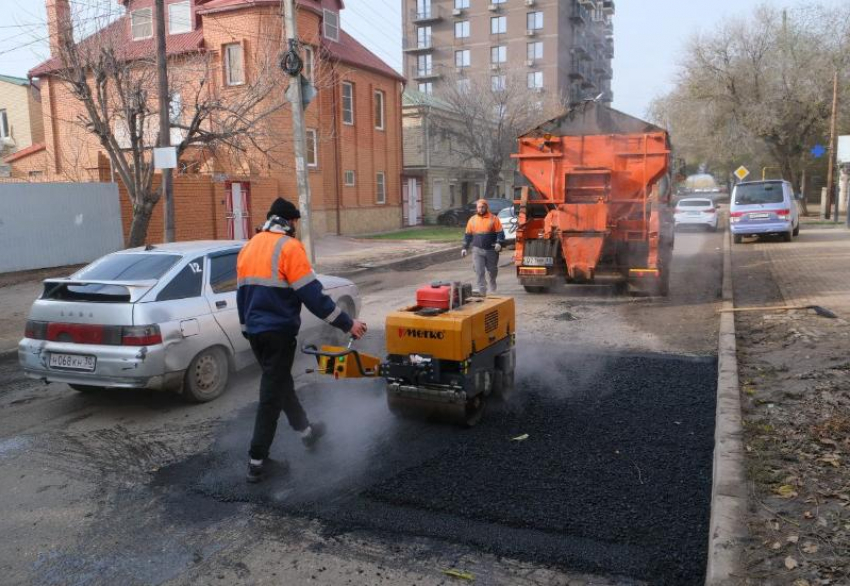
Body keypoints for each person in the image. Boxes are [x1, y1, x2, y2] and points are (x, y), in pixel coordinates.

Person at [237, 197, 367, 483]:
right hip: (278, 333)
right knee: (271, 396)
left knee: (281, 384)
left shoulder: (249, 246)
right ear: (290, 222)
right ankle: (257, 462)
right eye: (295, 222)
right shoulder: (289, 247)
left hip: (255, 333)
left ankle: (306, 432)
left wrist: (248, 330)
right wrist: (348, 323)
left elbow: (242, 295)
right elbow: (312, 295)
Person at [461, 199, 505, 295]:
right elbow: (467, 235)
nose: (480, 209)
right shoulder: (472, 220)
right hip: (477, 250)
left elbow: (500, 233)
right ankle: (482, 290)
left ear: (486, 207)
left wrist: (499, 243)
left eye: (482, 207)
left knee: (492, 270)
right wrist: (464, 247)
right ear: (476, 208)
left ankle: (492, 281)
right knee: (479, 271)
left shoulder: (494, 219)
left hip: (491, 250)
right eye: (479, 207)